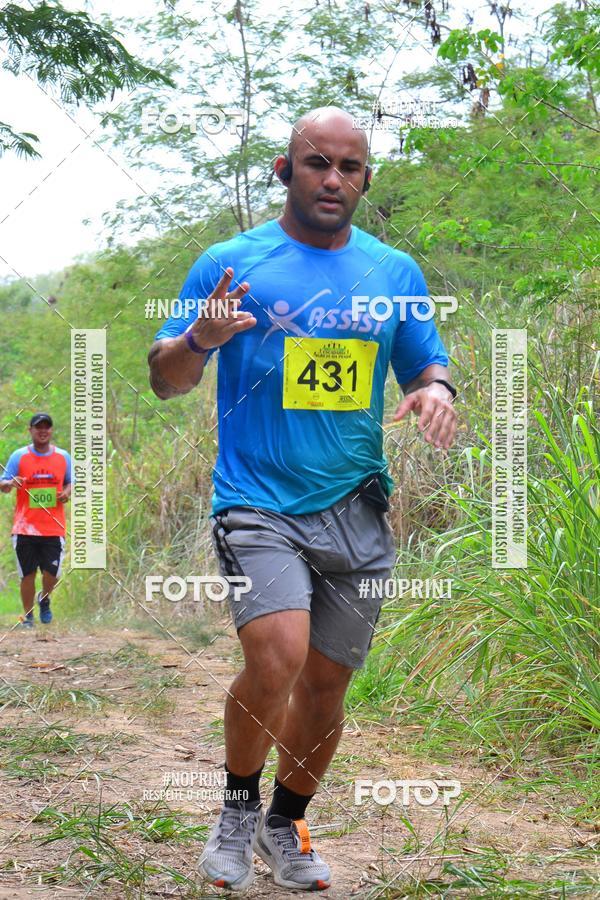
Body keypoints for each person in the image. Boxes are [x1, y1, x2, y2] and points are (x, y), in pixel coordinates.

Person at [148, 106, 457, 892]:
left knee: (325, 685)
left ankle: (288, 823)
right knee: (277, 654)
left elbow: (426, 363)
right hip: (257, 500)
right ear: (285, 171)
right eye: (317, 163)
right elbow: (165, 379)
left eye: (350, 168)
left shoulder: (395, 274)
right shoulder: (230, 262)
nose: (333, 179)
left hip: (355, 504)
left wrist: (436, 392)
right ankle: (235, 812)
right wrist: (198, 342)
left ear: (365, 180)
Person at [0, 413, 72, 628]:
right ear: (30, 430)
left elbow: (70, 482)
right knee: (28, 574)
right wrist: (11, 483)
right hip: (25, 527)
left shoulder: (63, 457)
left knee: (52, 573)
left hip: (53, 527)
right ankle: (28, 616)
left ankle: (44, 599)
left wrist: (66, 493)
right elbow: (3, 485)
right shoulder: (19, 456)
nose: (43, 431)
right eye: (38, 427)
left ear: (51, 431)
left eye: (47, 427)